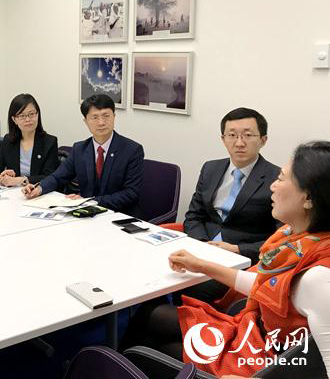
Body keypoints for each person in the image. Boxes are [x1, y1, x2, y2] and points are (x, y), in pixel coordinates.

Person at [120, 141, 330, 378]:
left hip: (258, 360)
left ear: (308, 198)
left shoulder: (319, 279)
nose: (272, 185)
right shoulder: (296, 238)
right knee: (151, 316)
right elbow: (268, 288)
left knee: (145, 349)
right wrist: (201, 265)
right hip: (252, 333)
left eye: (281, 178)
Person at [178, 108, 281, 304]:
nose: (239, 143)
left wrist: (238, 249)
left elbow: (281, 239)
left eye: (248, 135)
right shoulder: (211, 168)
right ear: (223, 139)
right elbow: (194, 215)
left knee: (192, 287)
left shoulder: (277, 179)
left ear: (263, 140)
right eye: (232, 135)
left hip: (240, 260)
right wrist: (202, 243)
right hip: (201, 248)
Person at [22, 94, 143, 214]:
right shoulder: (79, 149)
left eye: (106, 116)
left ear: (114, 117)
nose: (101, 122)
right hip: (86, 214)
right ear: (86, 121)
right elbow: (58, 177)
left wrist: (90, 201)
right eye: (95, 117)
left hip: (119, 216)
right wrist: (39, 188)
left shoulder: (132, 150)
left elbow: (131, 193)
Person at [0, 94, 59, 186]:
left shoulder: (50, 142)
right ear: (14, 119)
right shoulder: (8, 140)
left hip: (38, 191)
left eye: (31, 114)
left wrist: (21, 180)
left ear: (38, 114)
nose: (28, 119)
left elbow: (50, 176)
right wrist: (1, 178)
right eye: (22, 116)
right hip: (14, 191)